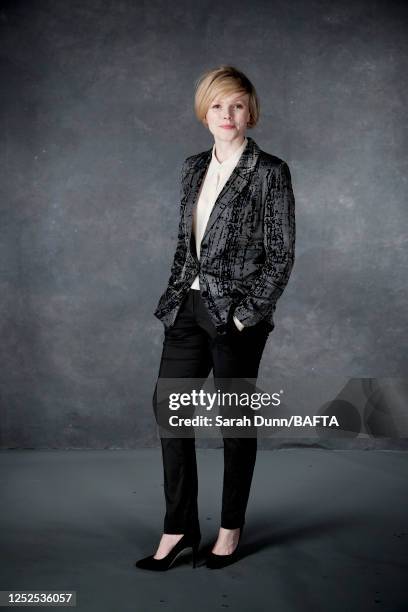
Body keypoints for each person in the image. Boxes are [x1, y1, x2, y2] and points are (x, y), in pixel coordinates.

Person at [135, 65, 296, 571]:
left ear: (251, 112)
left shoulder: (270, 171)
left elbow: (282, 253)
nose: (228, 114)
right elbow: (187, 244)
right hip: (189, 307)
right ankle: (178, 528)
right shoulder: (190, 167)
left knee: (233, 424)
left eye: (238, 105)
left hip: (238, 317)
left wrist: (249, 316)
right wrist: (178, 296)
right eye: (218, 105)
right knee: (171, 416)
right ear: (205, 112)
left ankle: (229, 529)